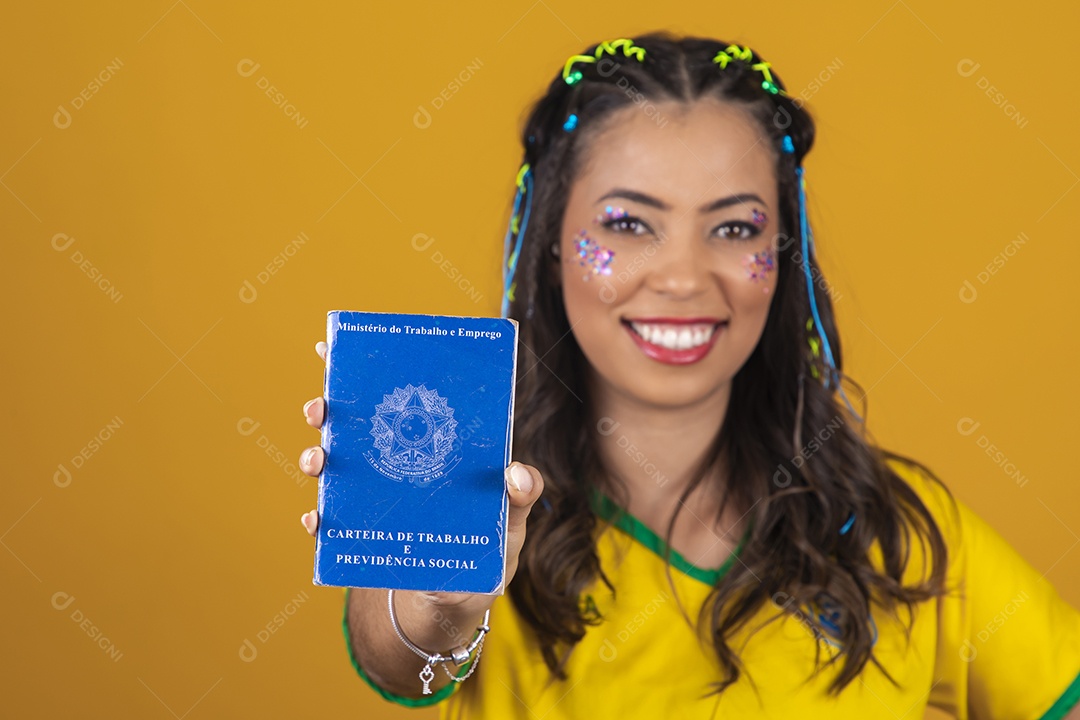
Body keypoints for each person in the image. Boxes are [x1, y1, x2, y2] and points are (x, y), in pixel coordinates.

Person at [297, 32, 1080, 719]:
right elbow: (397, 656)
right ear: (552, 242)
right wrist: (445, 598)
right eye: (629, 224)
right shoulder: (467, 485)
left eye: (735, 227)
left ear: (782, 253)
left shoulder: (893, 532)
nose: (683, 277)